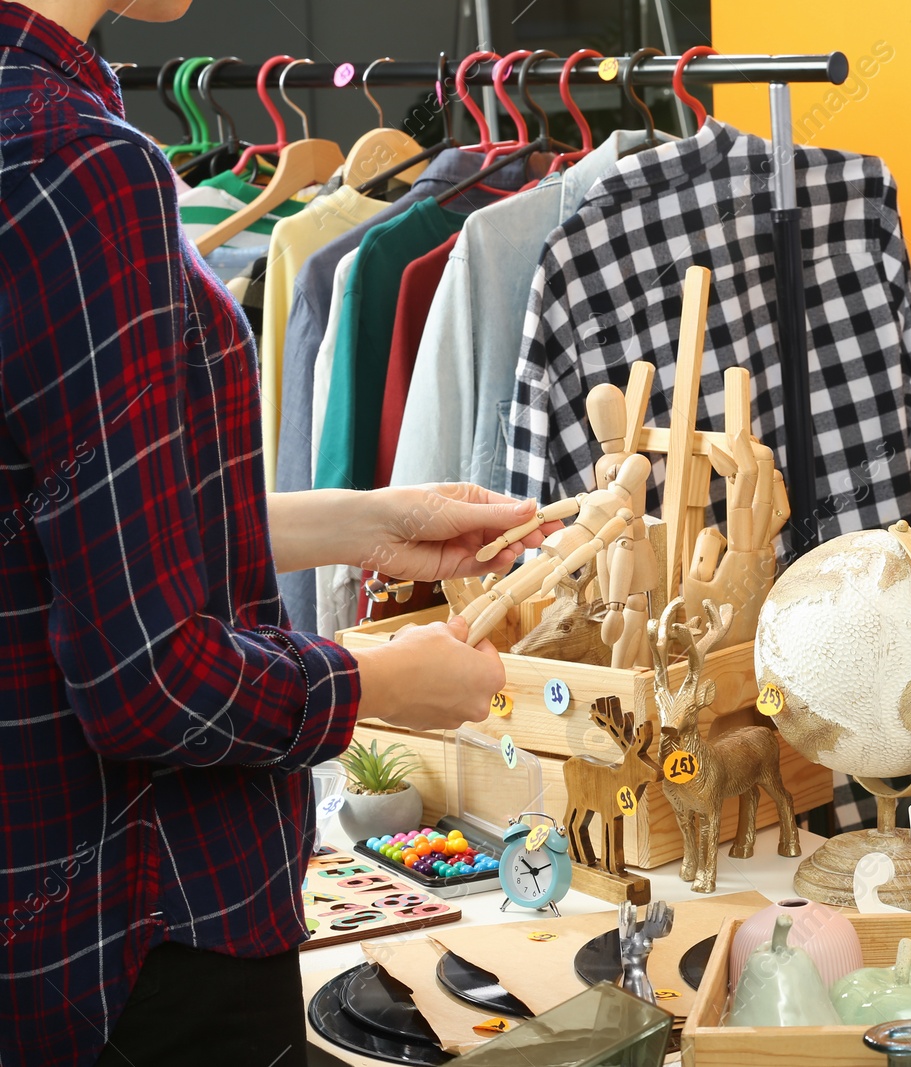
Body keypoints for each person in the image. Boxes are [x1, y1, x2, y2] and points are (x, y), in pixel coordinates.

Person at [0, 2, 552, 1063]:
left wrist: (366, 521)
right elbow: (148, 679)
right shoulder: (76, 164)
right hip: (138, 944)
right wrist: (381, 679)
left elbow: (54, 534)